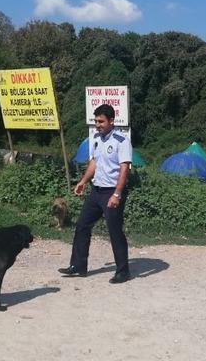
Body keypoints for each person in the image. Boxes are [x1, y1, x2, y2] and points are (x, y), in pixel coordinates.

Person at [58, 104, 132, 284]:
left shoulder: (121, 141)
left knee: (114, 231)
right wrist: (83, 182)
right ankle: (78, 265)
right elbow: (94, 164)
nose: (97, 125)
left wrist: (117, 194)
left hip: (111, 192)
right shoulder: (95, 138)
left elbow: (124, 170)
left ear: (111, 121)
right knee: (82, 225)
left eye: (101, 121)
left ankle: (123, 271)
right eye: (95, 121)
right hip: (96, 191)